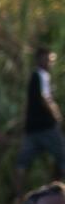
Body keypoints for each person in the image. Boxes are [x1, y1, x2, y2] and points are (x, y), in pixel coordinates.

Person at [17, 47, 65, 180]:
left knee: (22, 163)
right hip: (46, 127)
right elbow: (46, 98)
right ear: (40, 60)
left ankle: (19, 198)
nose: (50, 63)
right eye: (48, 60)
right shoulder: (42, 75)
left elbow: (28, 104)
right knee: (62, 156)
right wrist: (57, 115)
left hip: (31, 128)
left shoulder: (33, 77)